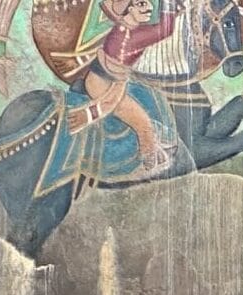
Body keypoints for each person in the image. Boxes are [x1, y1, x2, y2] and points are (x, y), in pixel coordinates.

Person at [68, 0, 181, 172]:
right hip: (105, 85)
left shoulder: (128, 28)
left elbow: (162, 28)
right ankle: (149, 165)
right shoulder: (132, 37)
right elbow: (165, 30)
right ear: (129, 8)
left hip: (105, 79)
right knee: (143, 123)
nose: (150, 7)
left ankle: (155, 150)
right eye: (142, 3)